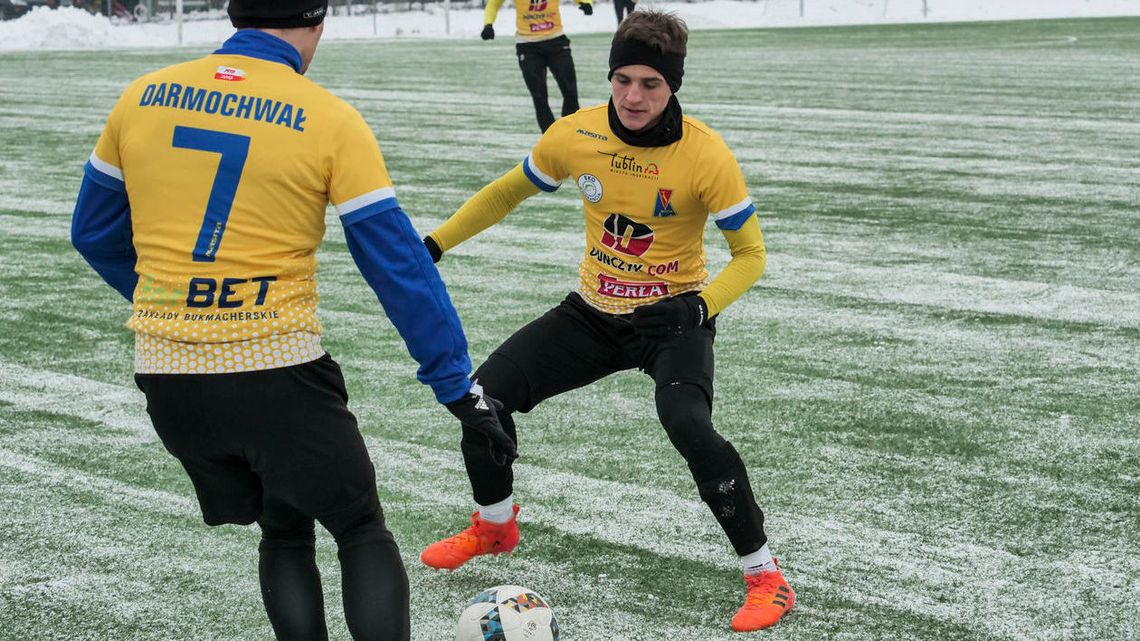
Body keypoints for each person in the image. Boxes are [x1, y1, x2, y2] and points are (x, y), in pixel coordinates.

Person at [70, 1, 515, 639]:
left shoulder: (141, 97)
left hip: (168, 378)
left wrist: (172, 301)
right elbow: (397, 267)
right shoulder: (328, 117)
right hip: (275, 369)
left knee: (284, 529)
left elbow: (93, 234)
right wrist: (456, 387)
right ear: (317, 23)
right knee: (360, 528)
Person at [420, 9, 795, 633]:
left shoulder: (705, 155)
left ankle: (766, 577)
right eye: (622, 79)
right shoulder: (576, 134)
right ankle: (494, 526)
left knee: (688, 423)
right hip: (591, 314)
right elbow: (504, 192)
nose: (633, 96)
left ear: (673, 85)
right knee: (481, 397)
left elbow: (751, 256)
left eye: (651, 83)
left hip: (671, 322)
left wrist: (698, 306)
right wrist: (435, 244)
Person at [480, 0, 594, 133]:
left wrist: (585, 3)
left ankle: (570, 135)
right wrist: (488, 24)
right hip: (528, 46)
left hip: (557, 42)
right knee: (539, 98)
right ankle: (551, 141)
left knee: (570, 93)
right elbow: (493, 4)